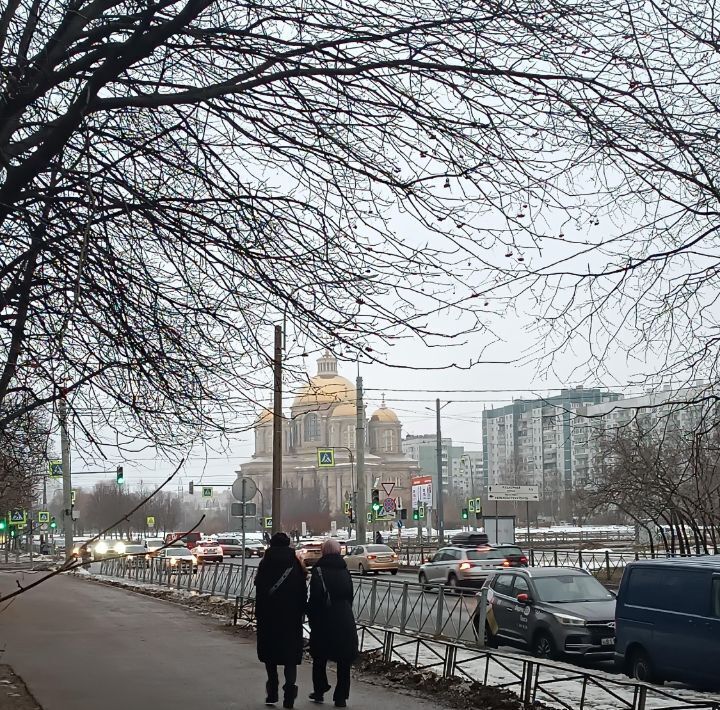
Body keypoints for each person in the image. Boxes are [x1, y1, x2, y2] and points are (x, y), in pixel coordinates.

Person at [254, 532, 307, 708]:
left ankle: (272, 692)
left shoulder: (265, 563)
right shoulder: (296, 564)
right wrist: (301, 612)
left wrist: (259, 614)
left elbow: (260, 591)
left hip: (269, 618)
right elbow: (302, 592)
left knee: (271, 656)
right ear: (288, 544)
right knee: (290, 658)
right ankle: (289, 695)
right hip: (291, 619)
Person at [307, 538, 358, 708]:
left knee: (319, 656)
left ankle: (320, 690)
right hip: (344, 618)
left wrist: (312, 618)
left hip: (324, 619)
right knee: (344, 660)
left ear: (323, 551)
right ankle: (341, 697)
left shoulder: (319, 571)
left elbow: (314, 598)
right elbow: (350, 595)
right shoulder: (345, 571)